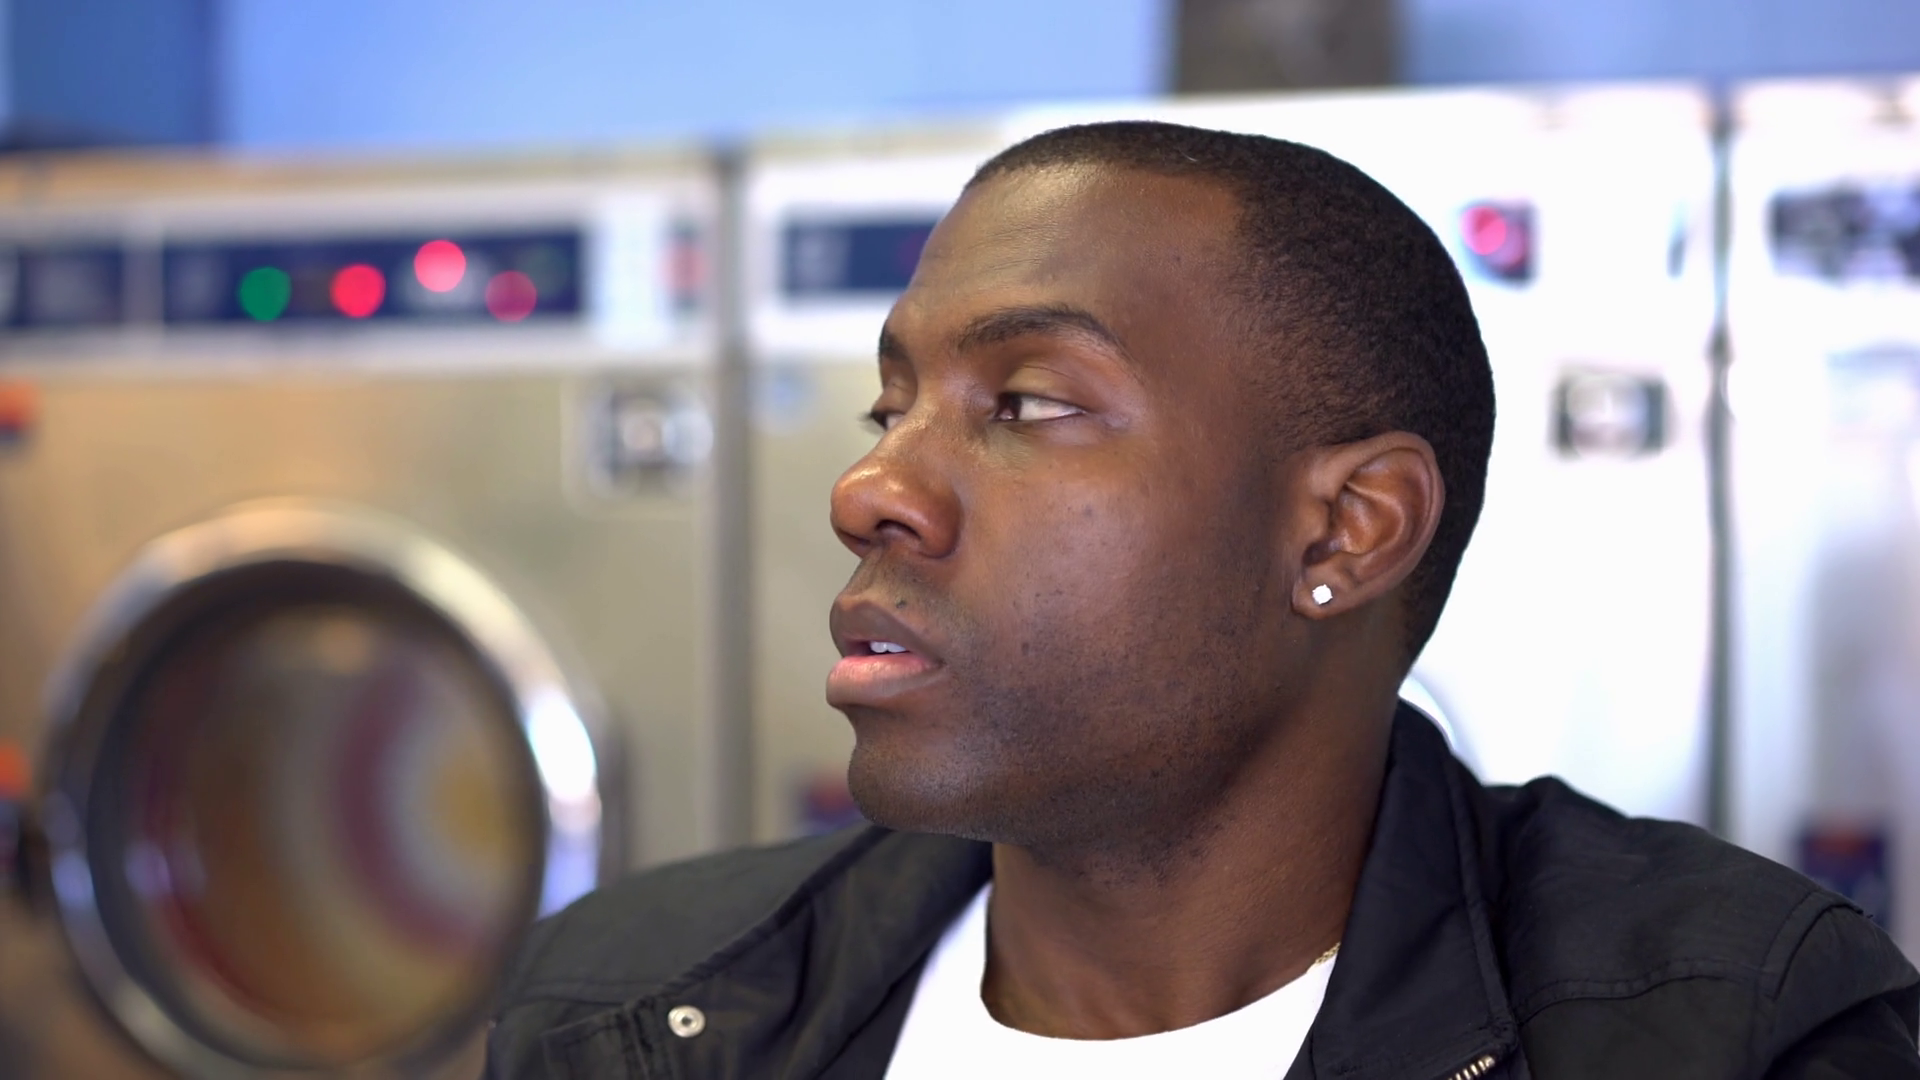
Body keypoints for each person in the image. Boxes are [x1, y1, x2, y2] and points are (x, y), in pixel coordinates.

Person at [483, 121, 1920, 1079]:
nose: (870, 489)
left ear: (1348, 530)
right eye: (890, 405)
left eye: (1028, 403)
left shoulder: (1734, 1028)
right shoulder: (630, 1007)